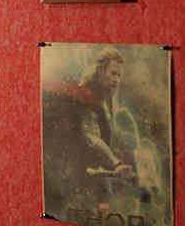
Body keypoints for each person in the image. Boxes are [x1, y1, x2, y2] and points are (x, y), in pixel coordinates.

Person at [42, 48, 135, 217]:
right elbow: (91, 136)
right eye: (113, 73)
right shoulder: (87, 95)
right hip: (72, 167)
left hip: (94, 168)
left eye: (119, 75)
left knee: (103, 207)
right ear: (100, 71)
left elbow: (104, 134)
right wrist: (116, 163)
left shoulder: (105, 95)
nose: (116, 79)